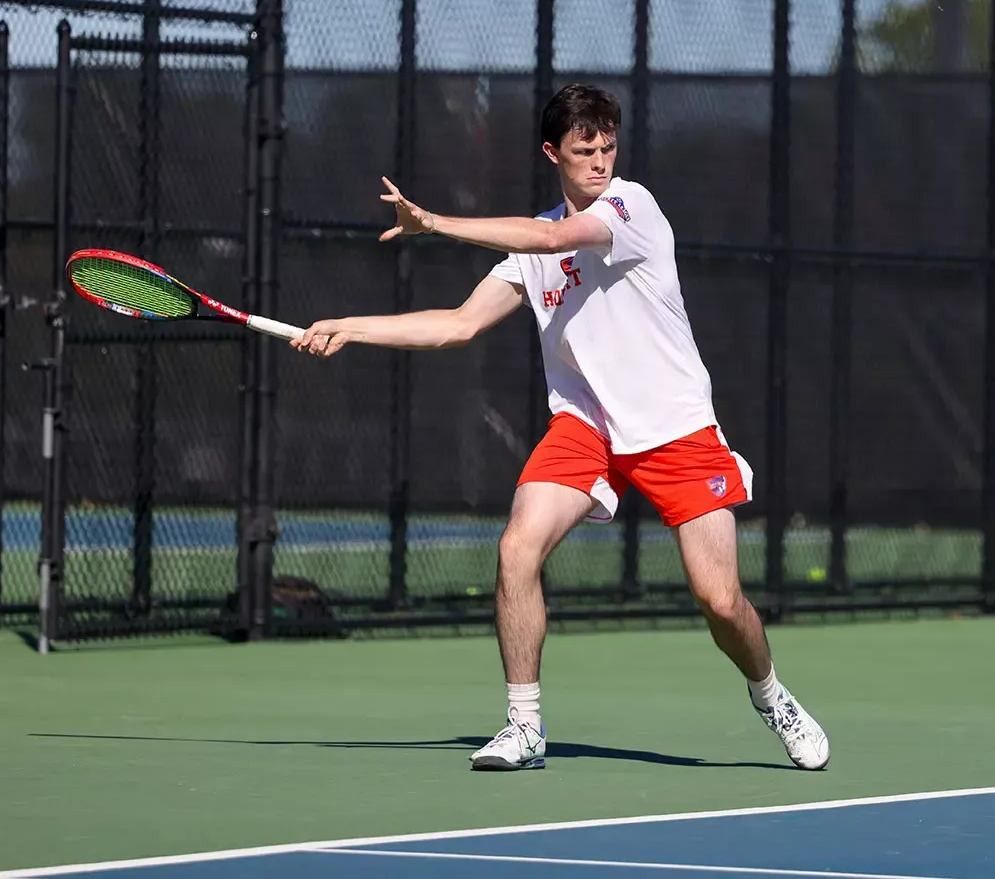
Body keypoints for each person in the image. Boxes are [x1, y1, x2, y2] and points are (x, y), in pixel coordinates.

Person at [291, 83, 829, 773]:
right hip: (587, 428)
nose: (600, 162)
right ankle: (524, 725)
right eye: (584, 151)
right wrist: (348, 328)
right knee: (517, 548)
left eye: (607, 147)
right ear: (553, 153)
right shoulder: (532, 252)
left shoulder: (633, 208)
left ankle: (771, 694)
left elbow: (551, 235)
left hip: (675, 429)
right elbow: (459, 325)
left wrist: (435, 223)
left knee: (719, 600)